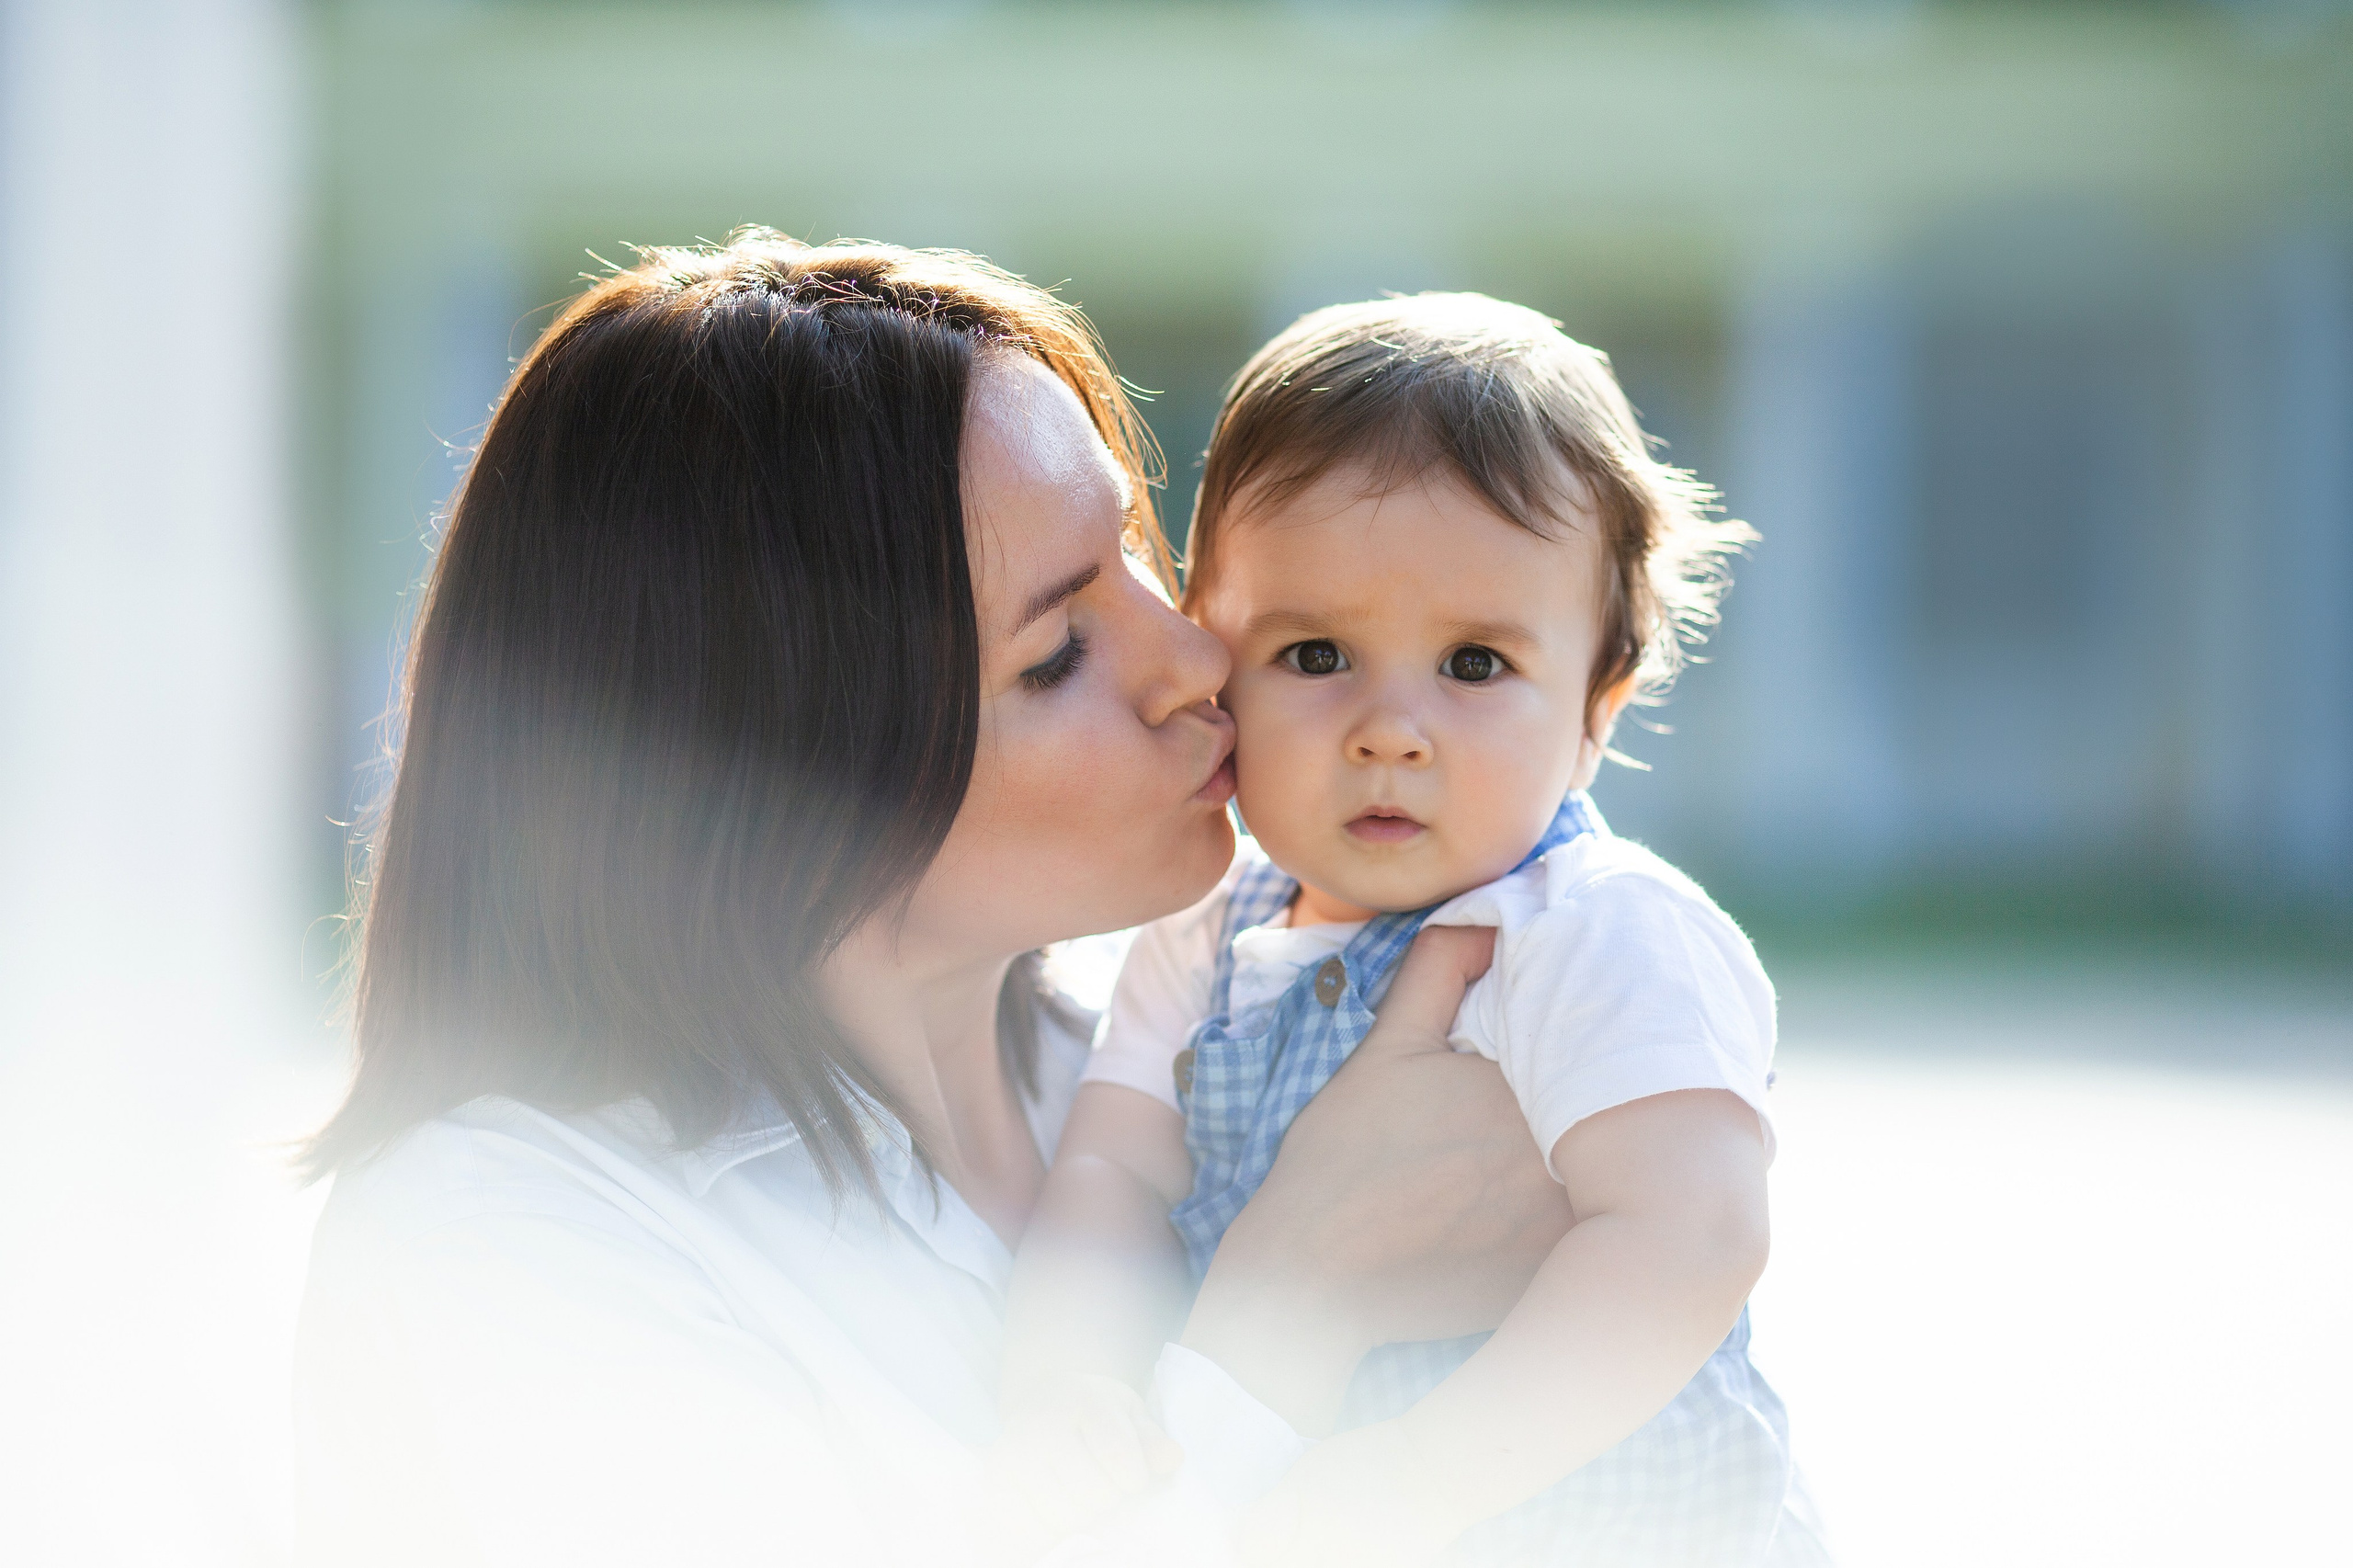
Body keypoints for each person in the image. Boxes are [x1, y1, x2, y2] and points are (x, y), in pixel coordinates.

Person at [291, 235, 1578, 1567]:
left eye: (1141, 555)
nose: (1197, 657)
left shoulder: (1206, 1064)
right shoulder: (508, 1244)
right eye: (1061, 650)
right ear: (774, 763)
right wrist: (1291, 1309)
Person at [1004, 295, 1830, 1565]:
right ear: (1215, 652)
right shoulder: (1201, 941)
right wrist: (1069, 1379)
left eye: (1476, 665)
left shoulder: (1597, 932)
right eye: (1318, 652)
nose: (1391, 727)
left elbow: (1693, 1234)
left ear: (1599, 703)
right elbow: (1110, 1174)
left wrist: (1426, 1474)